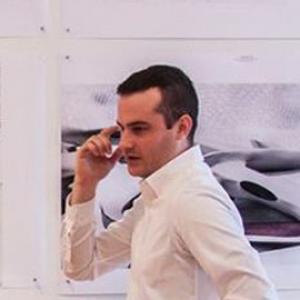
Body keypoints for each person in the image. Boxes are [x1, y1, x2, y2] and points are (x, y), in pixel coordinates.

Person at [61, 65, 278, 300]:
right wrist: (85, 185)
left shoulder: (193, 200)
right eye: (122, 130)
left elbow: (256, 293)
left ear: (182, 128)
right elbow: (81, 267)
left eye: (139, 129)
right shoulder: (155, 200)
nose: (125, 144)